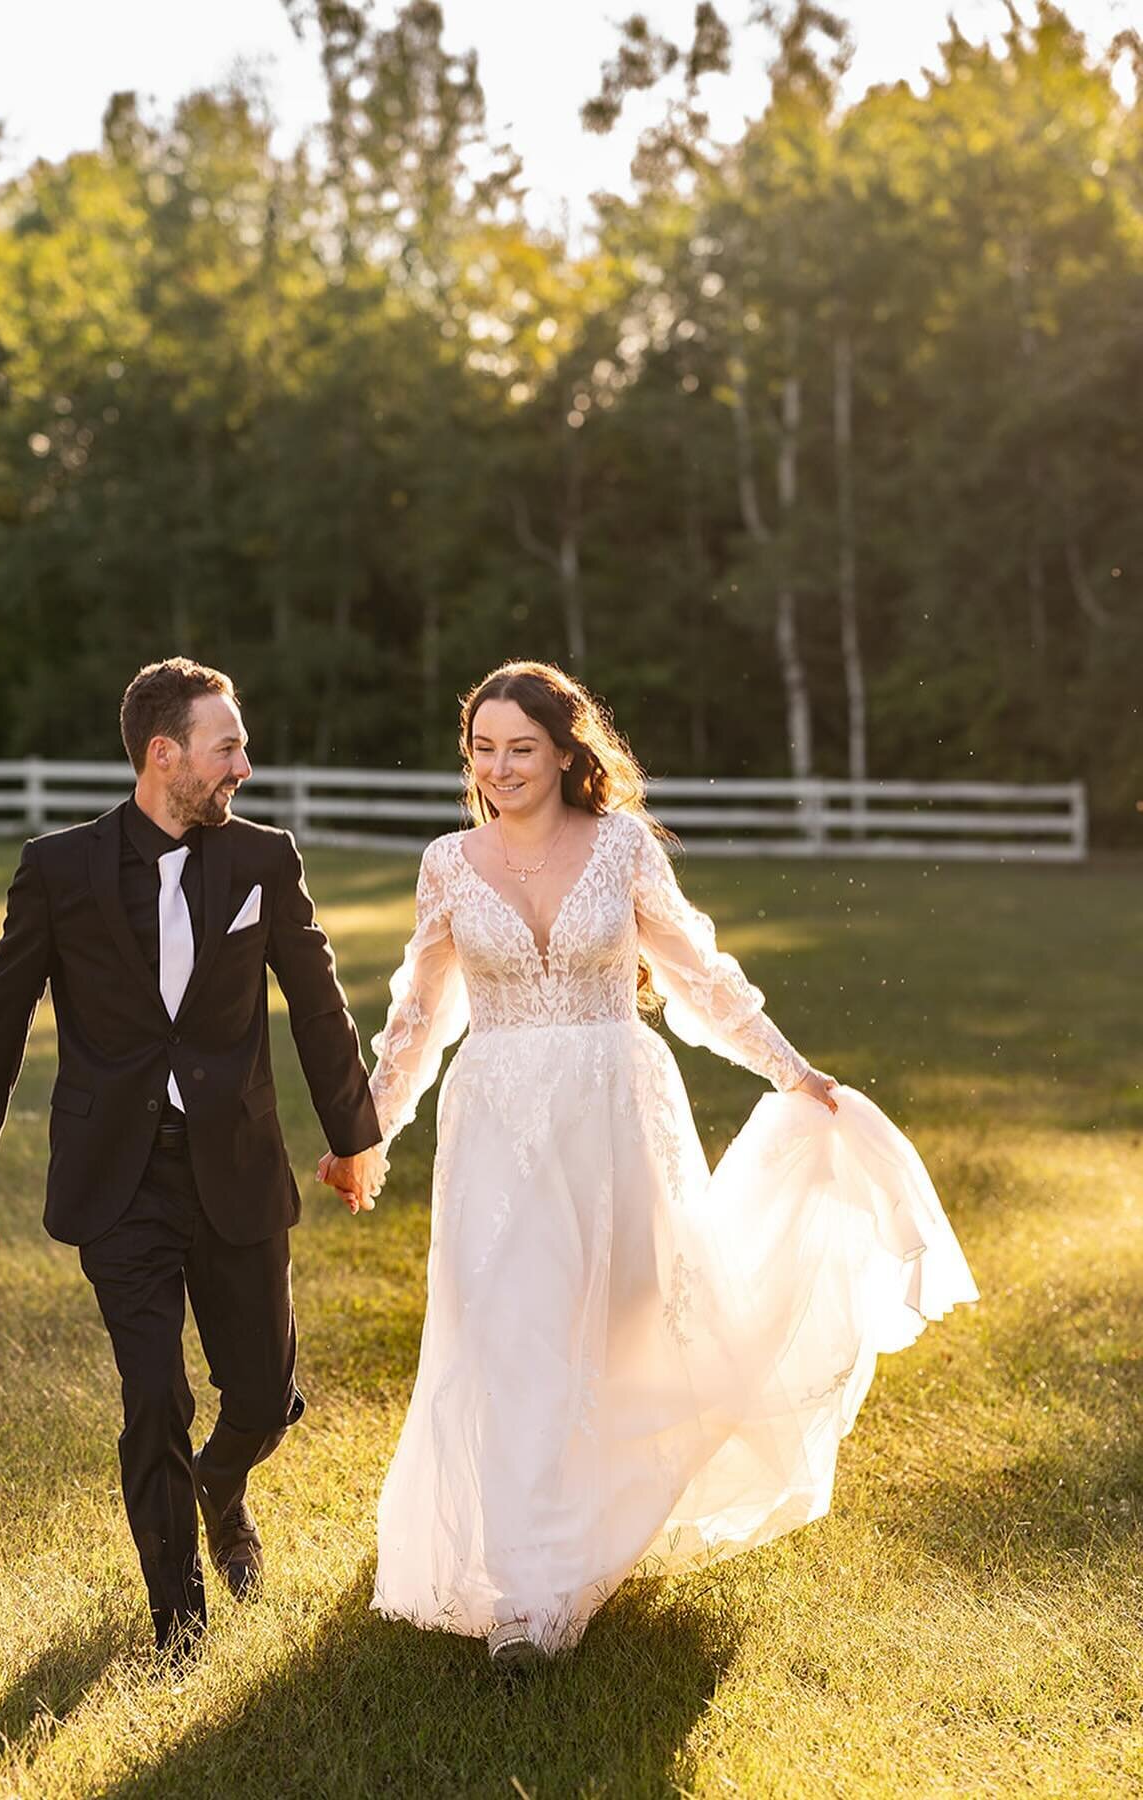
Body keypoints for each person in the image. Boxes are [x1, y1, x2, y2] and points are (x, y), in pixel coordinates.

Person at [336, 660, 978, 1672]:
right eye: (484, 749)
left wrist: (794, 1071)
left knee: (619, 1333)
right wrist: (369, 1129)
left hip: (615, 1115)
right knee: (509, 1336)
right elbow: (419, 1017)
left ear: (564, 753)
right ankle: (527, 1604)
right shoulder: (449, 864)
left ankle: (589, 1528)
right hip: (498, 1125)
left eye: (523, 749)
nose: (501, 768)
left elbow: (701, 980)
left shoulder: (621, 847)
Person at [0, 657, 386, 1667]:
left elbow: (317, 1003)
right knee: (154, 1398)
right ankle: (178, 1627)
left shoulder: (263, 860)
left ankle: (221, 1485)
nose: (245, 763)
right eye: (228, 747)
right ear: (164, 754)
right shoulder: (60, 869)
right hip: (120, 1177)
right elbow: (0, 1018)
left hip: (237, 1166)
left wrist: (353, 1135)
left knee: (264, 1400)